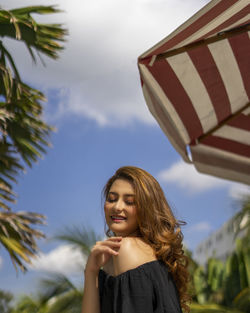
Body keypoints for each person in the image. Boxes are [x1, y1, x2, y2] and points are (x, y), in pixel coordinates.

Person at [81, 166, 191, 313]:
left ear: (147, 208)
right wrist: (91, 272)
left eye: (130, 201)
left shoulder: (126, 249)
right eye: (112, 199)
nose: (117, 207)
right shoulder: (122, 255)